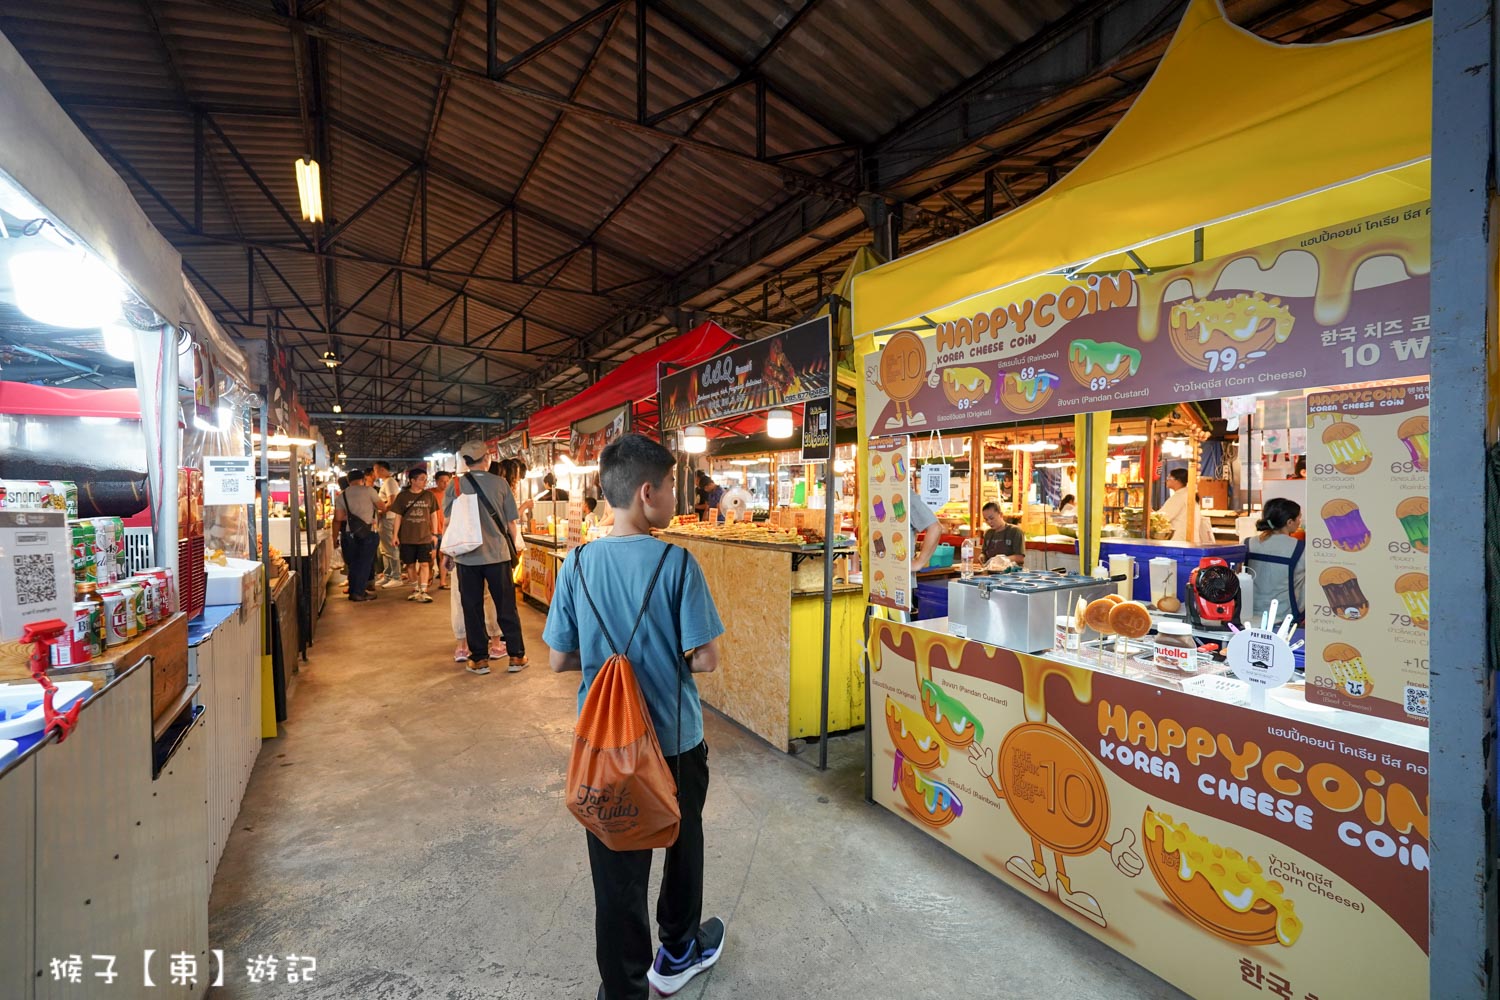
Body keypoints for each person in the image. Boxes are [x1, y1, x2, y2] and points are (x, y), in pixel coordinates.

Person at [543, 434, 726, 1000]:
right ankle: (677, 952)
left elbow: (558, 658)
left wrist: (605, 654)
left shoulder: (576, 562)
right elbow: (706, 660)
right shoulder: (678, 563)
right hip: (673, 742)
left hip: (605, 745)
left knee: (616, 868)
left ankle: (624, 989)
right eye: (672, 486)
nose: (675, 495)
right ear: (648, 493)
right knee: (681, 839)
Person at [444, 440, 527, 675]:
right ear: (487, 459)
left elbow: (448, 522)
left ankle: (479, 659)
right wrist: (517, 546)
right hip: (497, 556)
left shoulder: (455, 485)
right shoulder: (500, 483)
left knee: (471, 607)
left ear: (466, 462)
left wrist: (446, 552)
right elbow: (512, 522)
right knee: (506, 606)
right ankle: (517, 657)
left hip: (466, 558)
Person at [1245, 498, 1306, 624]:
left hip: (1248, 615)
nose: (1300, 522)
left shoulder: (1248, 543)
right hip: (1284, 617)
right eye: (1299, 518)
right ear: (1289, 522)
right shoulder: (1300, 548)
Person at [390, 467, 438, 603]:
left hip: (424, 536)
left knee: (425, 564)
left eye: (425, 479)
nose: (425, 482)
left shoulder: (429, 496)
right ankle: (415, 589)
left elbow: (434, 515)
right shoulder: (403, 496)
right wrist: (395, 535)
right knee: (410, 565)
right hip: (407, 537)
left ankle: (423, 590)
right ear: (412, 481)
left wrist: (434, 534)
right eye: (422, 479)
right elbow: (398, 517)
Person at [334, 469, 380, 602]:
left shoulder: (341, 496)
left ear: (348, 481)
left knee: (354, 564)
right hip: (369, 532)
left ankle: (353, 591)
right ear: (363, 479)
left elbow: (338, 517)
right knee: (364, 563)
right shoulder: (370, 491)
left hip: (350, 533)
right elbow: (382, 506)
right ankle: (359, 593)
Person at [372, 461, 404, 588]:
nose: (374, 472)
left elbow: (392, 501)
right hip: (384, 518)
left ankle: (396, 576)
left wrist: (381, 511)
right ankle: (388, 575)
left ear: (382, 469)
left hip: (389, 518)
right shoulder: (386, 482)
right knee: (384, 548)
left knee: (391, 547)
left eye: (375, 470)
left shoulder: (390, 482)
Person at [980, 502, 1026, 567]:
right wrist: (982, 556)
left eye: (991, 518)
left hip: (1011, 573)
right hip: (991, 572)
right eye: (986, 519)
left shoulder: (1015, 531)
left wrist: (1001, 560)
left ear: (1001, 515)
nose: (989, 522)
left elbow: (1020, 557)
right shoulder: (988, 533)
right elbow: (983, 553)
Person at [431, 471, 452, 589]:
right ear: (436, 482)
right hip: (432, 530)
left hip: (446, 530)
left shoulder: (451, 494)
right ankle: (427, 580)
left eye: (447, 481)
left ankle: (442, 582)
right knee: (430, 558)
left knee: (443, 557)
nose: (445, 484)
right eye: (442, 481)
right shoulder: (430, 494)